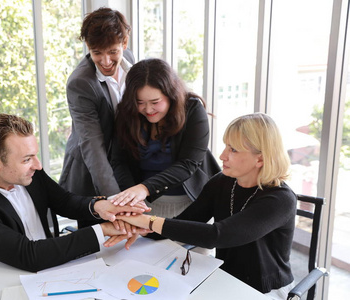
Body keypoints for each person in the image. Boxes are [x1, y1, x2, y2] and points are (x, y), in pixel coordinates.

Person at [111, 113, 297, 299]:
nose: (222, 156)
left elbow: (216, 235)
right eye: (226, 146)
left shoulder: (280, 199)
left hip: (264, 291)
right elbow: (187, 221)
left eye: (233, 150)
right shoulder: (223, 182)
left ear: (260, 159)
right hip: (224, 278)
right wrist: (142, 228)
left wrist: (147, 221)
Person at [0, 114, 148, 272]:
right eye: (27, 159)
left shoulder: (26, 172)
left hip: (58, 264)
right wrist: (102, 230)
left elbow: (64, 201)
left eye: (35, 155)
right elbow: (29, 255)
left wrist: (100, 207)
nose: (38, 165)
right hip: (14, 279)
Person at [110, 58, 220, 218]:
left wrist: (144, 188)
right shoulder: (127, 113)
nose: (148, 109)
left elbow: (187, 164)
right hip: (143, 204)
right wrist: (132, 197)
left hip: (190, 202)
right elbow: (119, 161)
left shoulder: (192, 110)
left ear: (171, 94)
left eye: (155, 102)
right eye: (140, 102)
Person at [59, 7, 135, 228]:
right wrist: (116, 202)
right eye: (96, 52)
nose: (105, 60)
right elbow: (93, 147)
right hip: (91, 175)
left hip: (124, 165)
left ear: (125, 43)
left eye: (112, 51)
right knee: (96, 250)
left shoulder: (129, 59)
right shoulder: (80, 83)